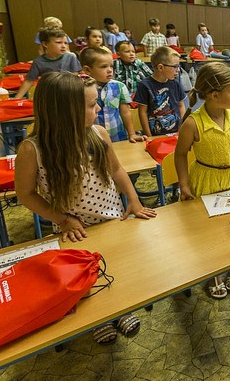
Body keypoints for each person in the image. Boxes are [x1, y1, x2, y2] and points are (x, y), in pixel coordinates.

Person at [14, 71, 157, 344]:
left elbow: (116, 169)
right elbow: (25, 193)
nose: (99, 109)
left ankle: (119, 308)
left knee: (116, 265)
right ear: (65, 112)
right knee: (84, 277)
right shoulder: (32, 149)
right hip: (74, 229)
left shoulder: (98, 133)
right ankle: (98, 318)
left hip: (111, 216)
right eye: (92, 105)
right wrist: (62, 219)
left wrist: (134, 200)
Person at [174, 62, 230, 299]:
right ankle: (213, 272)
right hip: (207, 179)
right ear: (215, 95)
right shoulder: (193, 123)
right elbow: (180, 154)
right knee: (209, 232)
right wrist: (184, 185)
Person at [80, 47, 145, 143]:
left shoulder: (119, 86)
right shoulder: (81, 89)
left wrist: (132, 134)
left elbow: (125, 112)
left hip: (117, 137)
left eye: (111, 66)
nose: (110, 70)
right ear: (87, 70)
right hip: (91, 140)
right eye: (103, 67)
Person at [134, 46, 186, 136]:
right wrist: (148, 135)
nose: (178, 70)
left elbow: (181, 106)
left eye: (179, 66)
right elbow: (142, 113)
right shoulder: (145, 85)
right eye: (175, 66)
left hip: (176, 133)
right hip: (155, 134)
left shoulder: (175, 83)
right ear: (160, 67)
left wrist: (182, 128)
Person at [14, 28, 81, 99]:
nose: (63, 46)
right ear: (45, 44)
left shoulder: (71, 57)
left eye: (65, 43)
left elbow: (76, 77)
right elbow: (29, 81)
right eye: (58, 42)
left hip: (68, 94)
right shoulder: (38, 62)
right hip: (49, 95)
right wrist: (17, 98)